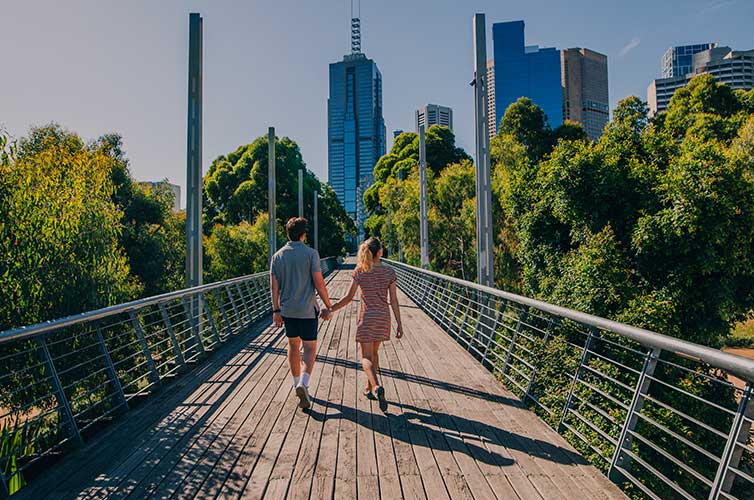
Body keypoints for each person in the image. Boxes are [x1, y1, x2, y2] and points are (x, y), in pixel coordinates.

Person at [329, 237, 403, 412]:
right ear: (379, 252)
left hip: (367, 317)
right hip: (383, 317)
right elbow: (393, 300)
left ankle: (376, 386)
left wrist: (331, 308)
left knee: (365, 358)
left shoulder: (360, 271)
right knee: (375, 353)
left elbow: (348, 298)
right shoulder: (389, 272)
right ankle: (369, 387)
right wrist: (399, 323)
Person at [270, 217, 334, 410]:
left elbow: (274, 287)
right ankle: (303, 383)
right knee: (310, 347)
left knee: (292, 345)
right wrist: (328, 305)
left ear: (288, 234)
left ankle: (295, 381)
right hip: (307, 310)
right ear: (303, 234)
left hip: (287, 311)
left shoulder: (278, 256)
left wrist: (276, 310)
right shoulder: (311, 253)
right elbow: (319, 282)